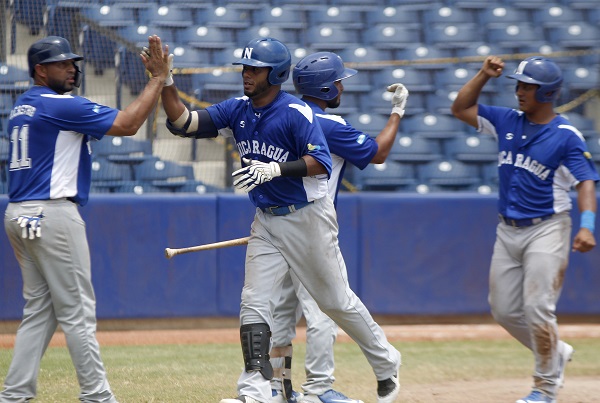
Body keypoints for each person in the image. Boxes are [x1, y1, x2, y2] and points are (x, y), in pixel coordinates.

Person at [159, 37, 402, 403]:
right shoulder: (237, 109)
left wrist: (274, 169)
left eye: (255, 69)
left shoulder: (296, 113)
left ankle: (386, 361)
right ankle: (255, 390)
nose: (246, 75)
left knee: (335, 303)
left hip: (308, 219)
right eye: (245, 68)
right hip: (267, 221)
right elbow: (183, 122)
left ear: (275, 74)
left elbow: (320, 162)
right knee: (254, 303)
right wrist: (165, 81)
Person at [1, 35, 170, 403]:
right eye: (62, 63)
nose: (72, 68)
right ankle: (97, 395)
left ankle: (14, 395)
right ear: (39, 70)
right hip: (52, 213)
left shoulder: (22, 107)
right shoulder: (57, 104)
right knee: (77, 310)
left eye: (73, 62)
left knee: (40, 310)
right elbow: (128, 124)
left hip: (19, 213)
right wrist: (157, 78)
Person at [451, 55, 598, 403]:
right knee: (503, 310)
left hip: (547, 228)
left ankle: (544, 387)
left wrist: (587, 225)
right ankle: (555, 350)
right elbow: (460, 108)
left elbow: (586, 182)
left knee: (538, 307)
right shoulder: (506, 120)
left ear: (546, 93)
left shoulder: (566, 136)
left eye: (528, 87)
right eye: (518, 85)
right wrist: (484, 75)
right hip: (508, 230)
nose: (519, 91)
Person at [268, 52, 408, 403]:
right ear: (327, 87)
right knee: (321, 311)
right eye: (340, 80)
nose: (343, 85)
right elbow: (378, 153)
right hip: (311, 227)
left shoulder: (281, 115)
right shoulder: (328, 124)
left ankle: (279, 387)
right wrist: (397, 111)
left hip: (277, 224)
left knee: (282, 313)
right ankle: (317, 387)